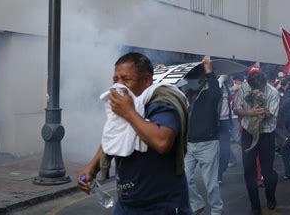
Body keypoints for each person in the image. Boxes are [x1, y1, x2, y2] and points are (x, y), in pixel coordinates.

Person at [77, 52, 191, 214]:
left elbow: (162, 142)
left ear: (146, 80)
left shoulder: (161, 103)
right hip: (127, 203)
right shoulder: (124, 106)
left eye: (126, 80)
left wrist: (129, 112)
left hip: (162, 204)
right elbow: (114, 135)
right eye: (115, 80)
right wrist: (92, 166)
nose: (119, 86)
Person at [234, 69, 280, 214]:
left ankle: (270, 195)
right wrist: (250, 112)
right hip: (249, 132)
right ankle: (255, 205)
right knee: (249, 170)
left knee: (267, 172)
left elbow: (271, 114)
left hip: (266, 134)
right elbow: (236, 109)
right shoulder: (244, 88)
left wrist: (263, 111)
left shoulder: (273, 92)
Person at [183, 59, 223, 215]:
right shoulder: (186, 94)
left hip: (208, 144)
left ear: (202, 79)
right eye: (188, 80)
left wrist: (208, 70)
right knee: (183, 179)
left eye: (193, 79)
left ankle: (217, 210)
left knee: (211, 184)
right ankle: (197, 203)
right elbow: (170, 90)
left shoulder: (210, 94)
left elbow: (216, 91)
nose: (190, 82)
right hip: (189, 145)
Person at [218, 74, 233, 184]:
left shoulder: (226, 87)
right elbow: (213, 94)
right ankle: (217, 176)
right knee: (215, 151)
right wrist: (220, 80)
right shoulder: (213, 86)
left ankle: (220, 172)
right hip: (215, 122)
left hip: (226, 122)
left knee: (225, 151)